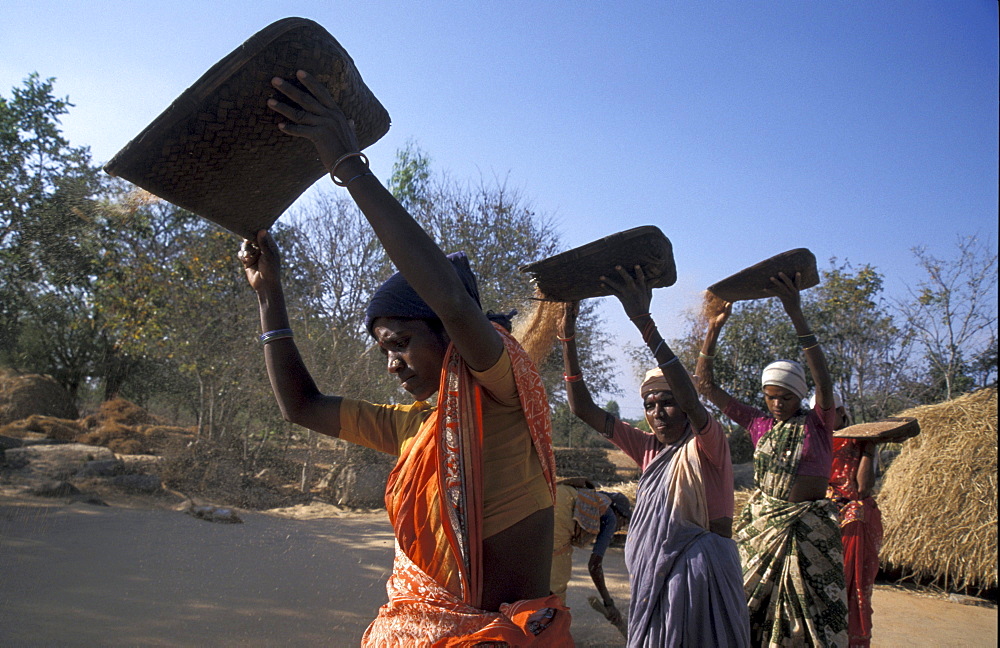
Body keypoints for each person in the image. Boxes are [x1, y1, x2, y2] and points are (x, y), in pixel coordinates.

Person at [241, 69, 571, 646]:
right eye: (382, 348)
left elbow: (451, 301)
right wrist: (270, 295)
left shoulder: (500, 389)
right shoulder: (418, 430)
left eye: (400, 342)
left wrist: (347, 165)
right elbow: (302, 406)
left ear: (447, 334)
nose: (391, 362)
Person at [559, 265, 751, 647]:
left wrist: (643, 321)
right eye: (650, 404)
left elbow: (695, 400)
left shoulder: (706, 443)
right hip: (653, 579)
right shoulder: (647, 447)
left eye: (668, 402)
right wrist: (567, 332)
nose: (658, 412)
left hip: (701, 578)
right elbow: (583, 409)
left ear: (684, 406)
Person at [696, 273, 849, 647]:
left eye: (785, 397)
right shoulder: (758, 423)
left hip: (809, 529)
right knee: (746, 606)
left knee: (811, 617)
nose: (777, 403)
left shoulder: (819, 422)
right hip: (763, 526)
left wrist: (795, 311)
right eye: (770, 396)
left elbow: (823, 379)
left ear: (800, 396)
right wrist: (713, 330)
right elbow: (704, 385)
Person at [811, 393, 883, 648]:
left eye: (834, 413)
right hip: (818, 510)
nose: (829, 419)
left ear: (842, 413)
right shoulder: (811, 440)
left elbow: (862, 488)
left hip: (849, 515)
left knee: (856, 514)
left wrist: (869, 446)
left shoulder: (858, 440)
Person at [550, 478, 630, 632]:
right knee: (557, 584)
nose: (618, 528)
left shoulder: (585, 497)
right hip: (559, 516)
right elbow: (594, 566)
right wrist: (609, 603)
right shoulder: (610, 517)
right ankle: (552, 633)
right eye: (623, 523)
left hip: (554, 497)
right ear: (619, 514)